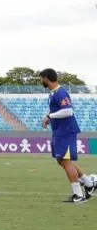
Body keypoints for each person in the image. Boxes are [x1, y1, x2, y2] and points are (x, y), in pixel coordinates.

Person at [39, 68, 95, 203]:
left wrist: (49, 116)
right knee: (61, 160)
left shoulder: (61, 93)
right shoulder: (53, 94)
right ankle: (88, 184)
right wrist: (49, 116)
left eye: (41, 78)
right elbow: (57, 110)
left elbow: (68, 111)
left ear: (46, 78)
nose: (40, 81)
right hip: (59, 131)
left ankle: (79, 195)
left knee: (65, 161)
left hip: (65, 132)